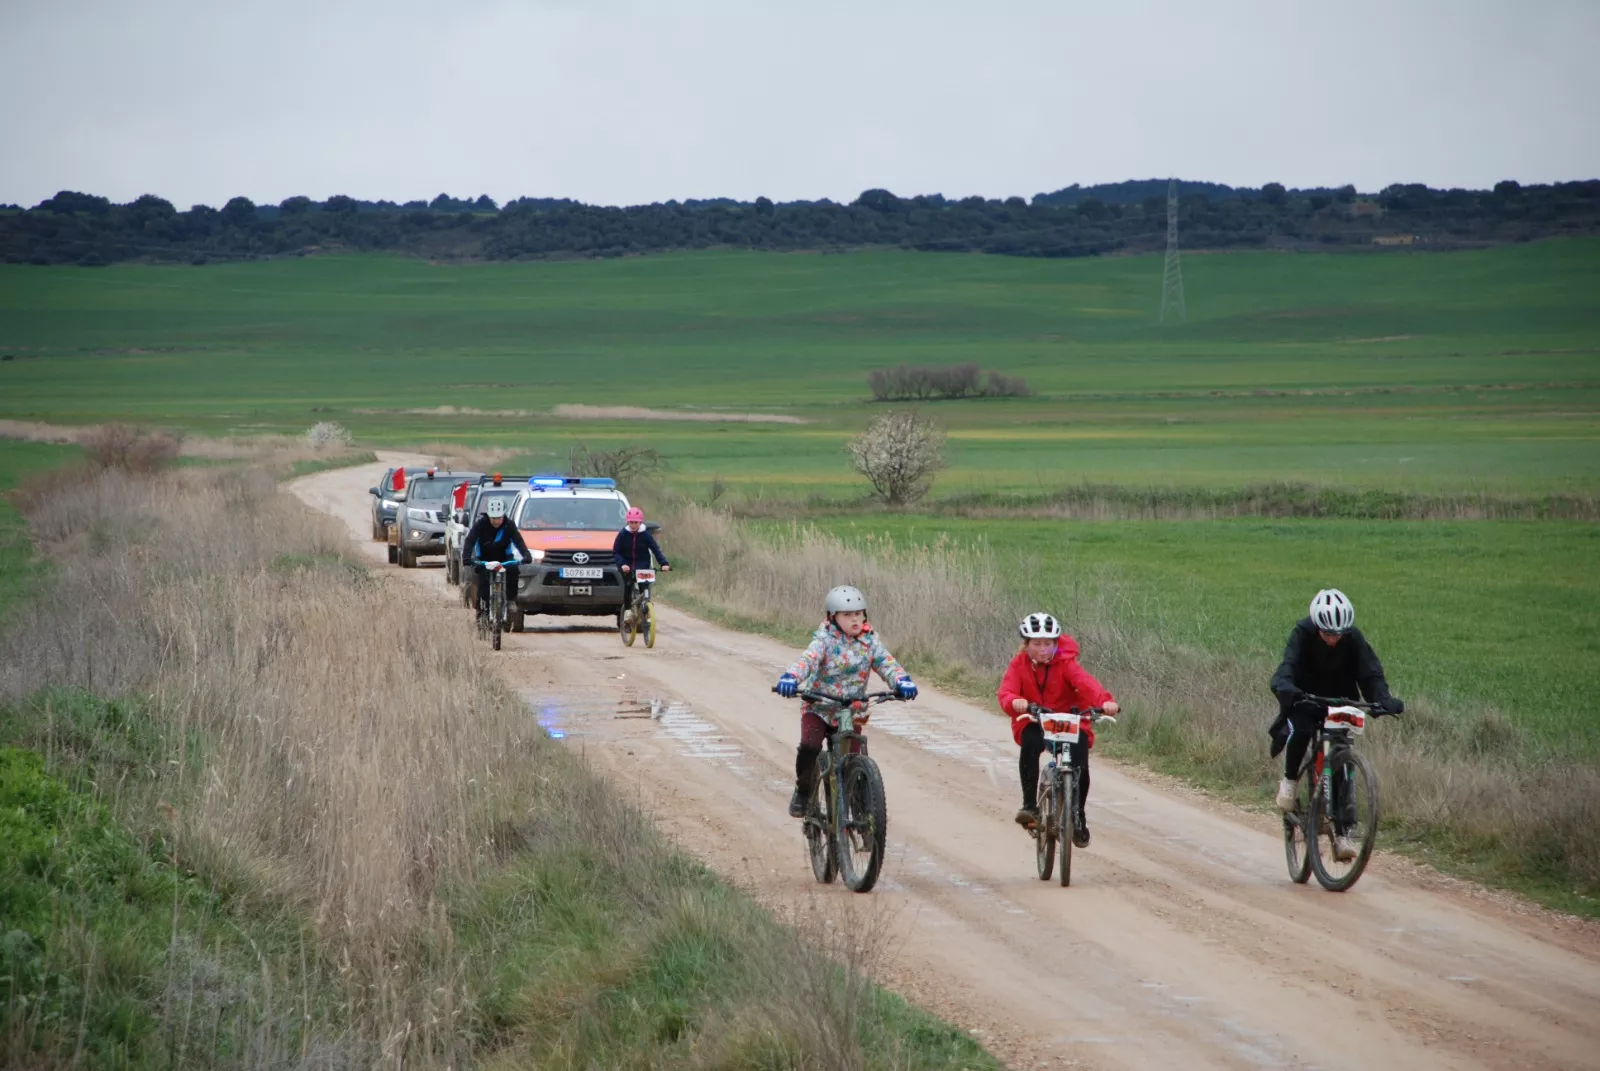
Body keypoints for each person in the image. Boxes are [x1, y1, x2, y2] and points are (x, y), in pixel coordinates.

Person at [1268, 588, 1404, 861]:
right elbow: (1287, 667)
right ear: (1317, 625)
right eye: (1327, 633)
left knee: (1341, 756)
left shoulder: (1353, 639)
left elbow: (1371, 673)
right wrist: (1287, 688)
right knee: (1302, 729)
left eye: (1337, 634)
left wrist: (1383, 700)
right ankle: (1290, 779)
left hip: (1341, 701)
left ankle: (1343, 834)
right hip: (1305, 698)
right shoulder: (1302, 633)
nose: (1333, 639)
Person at [775, 586, 918, 818]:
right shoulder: (824, 641)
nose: (855, 619)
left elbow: (887, 663)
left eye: (859, 613)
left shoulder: (870, 642)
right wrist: (791, 677)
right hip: (819, 707)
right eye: (847, 615)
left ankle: (862, 810)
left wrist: (902, 681)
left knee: (855, 759)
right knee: (810, 746)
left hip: (851, 710)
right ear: (833, 617)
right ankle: (803, 789)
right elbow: (807, 661)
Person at [998, 612, 1119, 847]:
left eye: (1048, 644)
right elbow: (1006, 691)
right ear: (1026, 645)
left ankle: (1078, 816)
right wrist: (1015, 701)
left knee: (1080, 765)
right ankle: (1030, 807)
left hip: (1070, 719)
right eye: (1037, 644)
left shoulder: (1066, 662)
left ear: (1056, 643)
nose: (1043, 649)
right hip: (1035, 718)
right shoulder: (1018, 664)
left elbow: (1086, 683)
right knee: (1030, 745)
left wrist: (1105, 702)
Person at [461, 497, 532, 622]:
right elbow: (470, 540)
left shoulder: (509, 525)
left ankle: (510, 600)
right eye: (493, 518)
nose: (497, 521)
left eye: (499, 517)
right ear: (488, 516)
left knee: (513, 571)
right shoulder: (480, 525)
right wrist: (466, 557)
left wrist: (526, 555)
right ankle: (481, 616)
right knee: (483, 588)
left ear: (503, 515)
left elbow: (518, 541)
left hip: (504, 558)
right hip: (484, 558)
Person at [613, 507, 670, 617]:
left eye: (636, 522)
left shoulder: (646, 535)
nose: (633, 525)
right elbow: (616, 551)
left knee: (644, 587)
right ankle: (628, 611)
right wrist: (622, 564)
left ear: (640, 522)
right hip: (627, 566)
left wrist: (664, 563)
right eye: (631, 522)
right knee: (628, 586)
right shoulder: (623, 534)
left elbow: (655, 549)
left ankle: (645, 607)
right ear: (627, 522)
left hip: (642, 565)